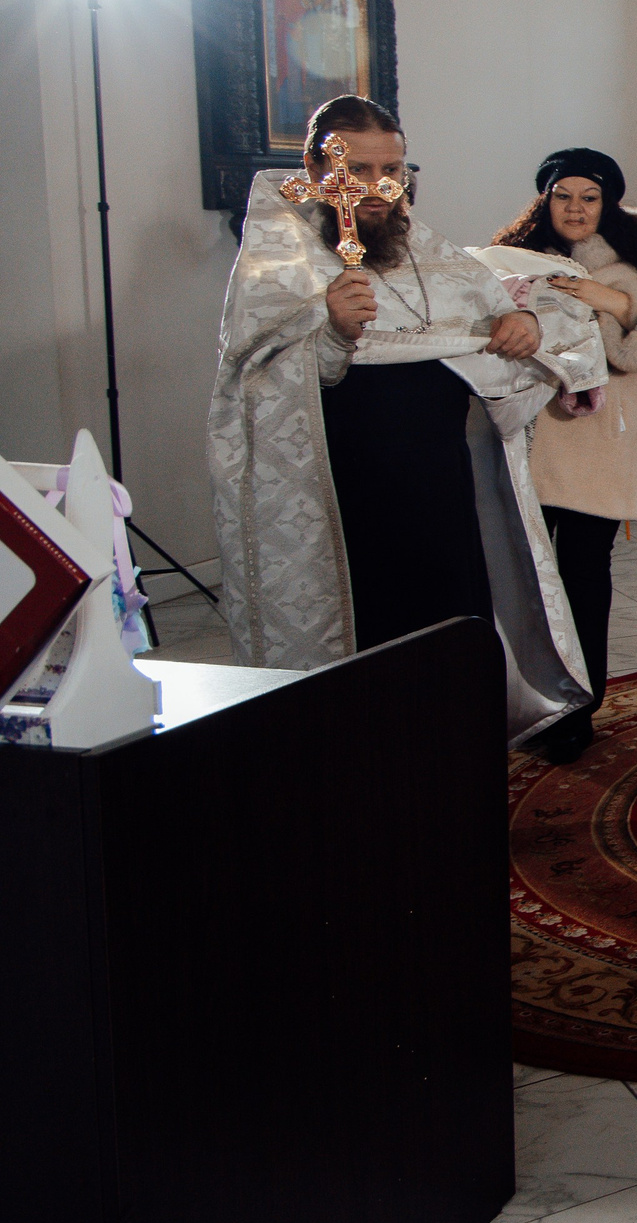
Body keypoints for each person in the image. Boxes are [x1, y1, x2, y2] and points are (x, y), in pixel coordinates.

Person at [209, 95, 602, 747]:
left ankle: (459, 781)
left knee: (451, 654)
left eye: (392, 169)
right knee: (377, 675)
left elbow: (523, 324)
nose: (378, 188)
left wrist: (524, 323)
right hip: (349, 514)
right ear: (312, 167)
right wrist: (329, 328)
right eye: (356, 170)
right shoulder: (282, 264)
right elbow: (249, 379)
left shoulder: (429, 251)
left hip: (445, 505)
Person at [490, 150, 637, 763]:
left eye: (590, 196)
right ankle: (528, 700)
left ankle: (580, 706)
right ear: (545, 200)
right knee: (525, 581)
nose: (577, 208)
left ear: (607, 204)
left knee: (583, 578)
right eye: (564, 195)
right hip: (526, 446)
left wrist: (609, 301)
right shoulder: (514, 264)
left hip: (596, 455)